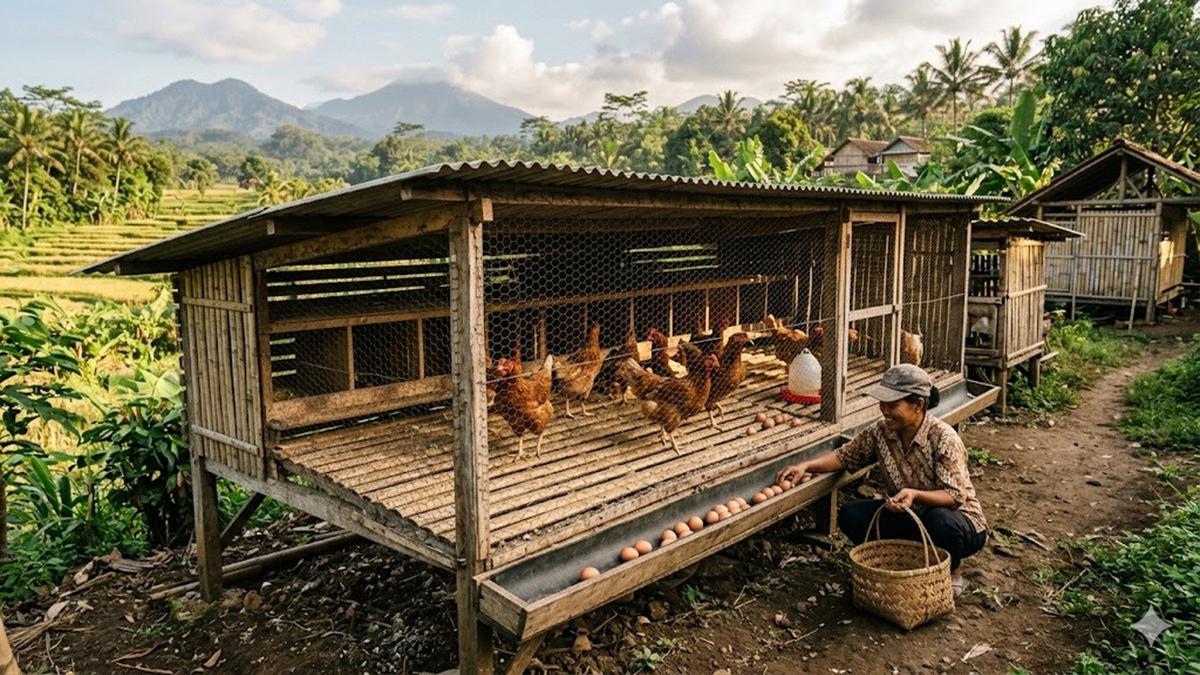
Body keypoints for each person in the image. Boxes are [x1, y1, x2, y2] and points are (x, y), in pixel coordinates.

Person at [778, 364, 987, 595]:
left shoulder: (944, 438)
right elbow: (844, 456)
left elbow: (955, 496)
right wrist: (805, 465)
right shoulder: (881, 432)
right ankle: (899, 560)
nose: (884, 410)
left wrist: (915, 494)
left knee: (940, 520)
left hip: (960, 523)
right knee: (851, 515)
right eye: (883, 403)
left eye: (892, 405)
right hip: (909, 515)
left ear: (918, 404)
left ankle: (952, 571)